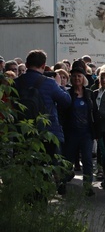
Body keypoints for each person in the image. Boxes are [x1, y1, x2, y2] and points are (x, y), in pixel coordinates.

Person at [14, 50, 72, 190]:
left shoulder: (16, 82)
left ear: (26, 64)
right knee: (49, 164)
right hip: (47, 131)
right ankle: (45, 194)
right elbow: (66, 101)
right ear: (44, 65)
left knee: (26, 166)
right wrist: (60, 85)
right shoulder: (50, 83)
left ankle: (28, 196)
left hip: (22, 131)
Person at [59, 66, 100, 196]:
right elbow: (62, 113)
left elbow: (95, 113)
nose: (77, 78)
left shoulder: (89, 94)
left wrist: (97, 133)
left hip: (86, 132)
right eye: (75, 76)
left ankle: (88, 186)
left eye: (79, 76)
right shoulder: (67, 93)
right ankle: (62, 184)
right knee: (68, 160)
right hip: (71, 132)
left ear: (83, 78)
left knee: (87, 160)